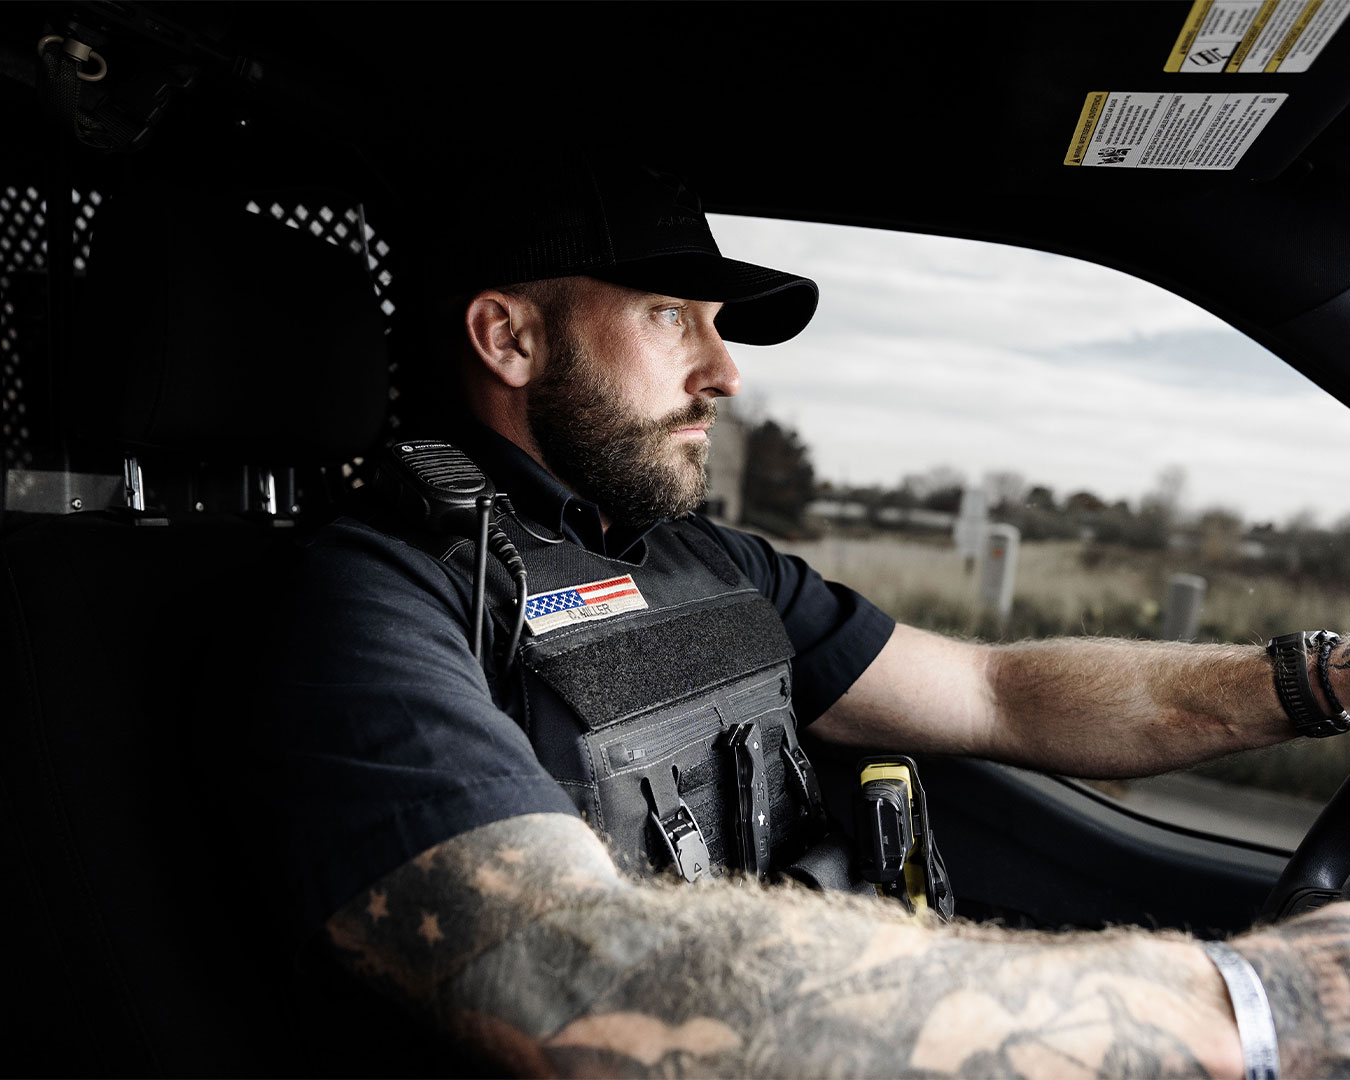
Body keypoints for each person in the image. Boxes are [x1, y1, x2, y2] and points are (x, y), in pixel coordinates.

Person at [264, 158, 1350, 1078]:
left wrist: (1318, 680)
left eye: (719, 328)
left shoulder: (712, 565)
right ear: (509, 339)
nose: (727, 373)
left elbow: (994, 691)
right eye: (668, 316)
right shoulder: (378, 597)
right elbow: (552, 963)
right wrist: (1252, 1012)